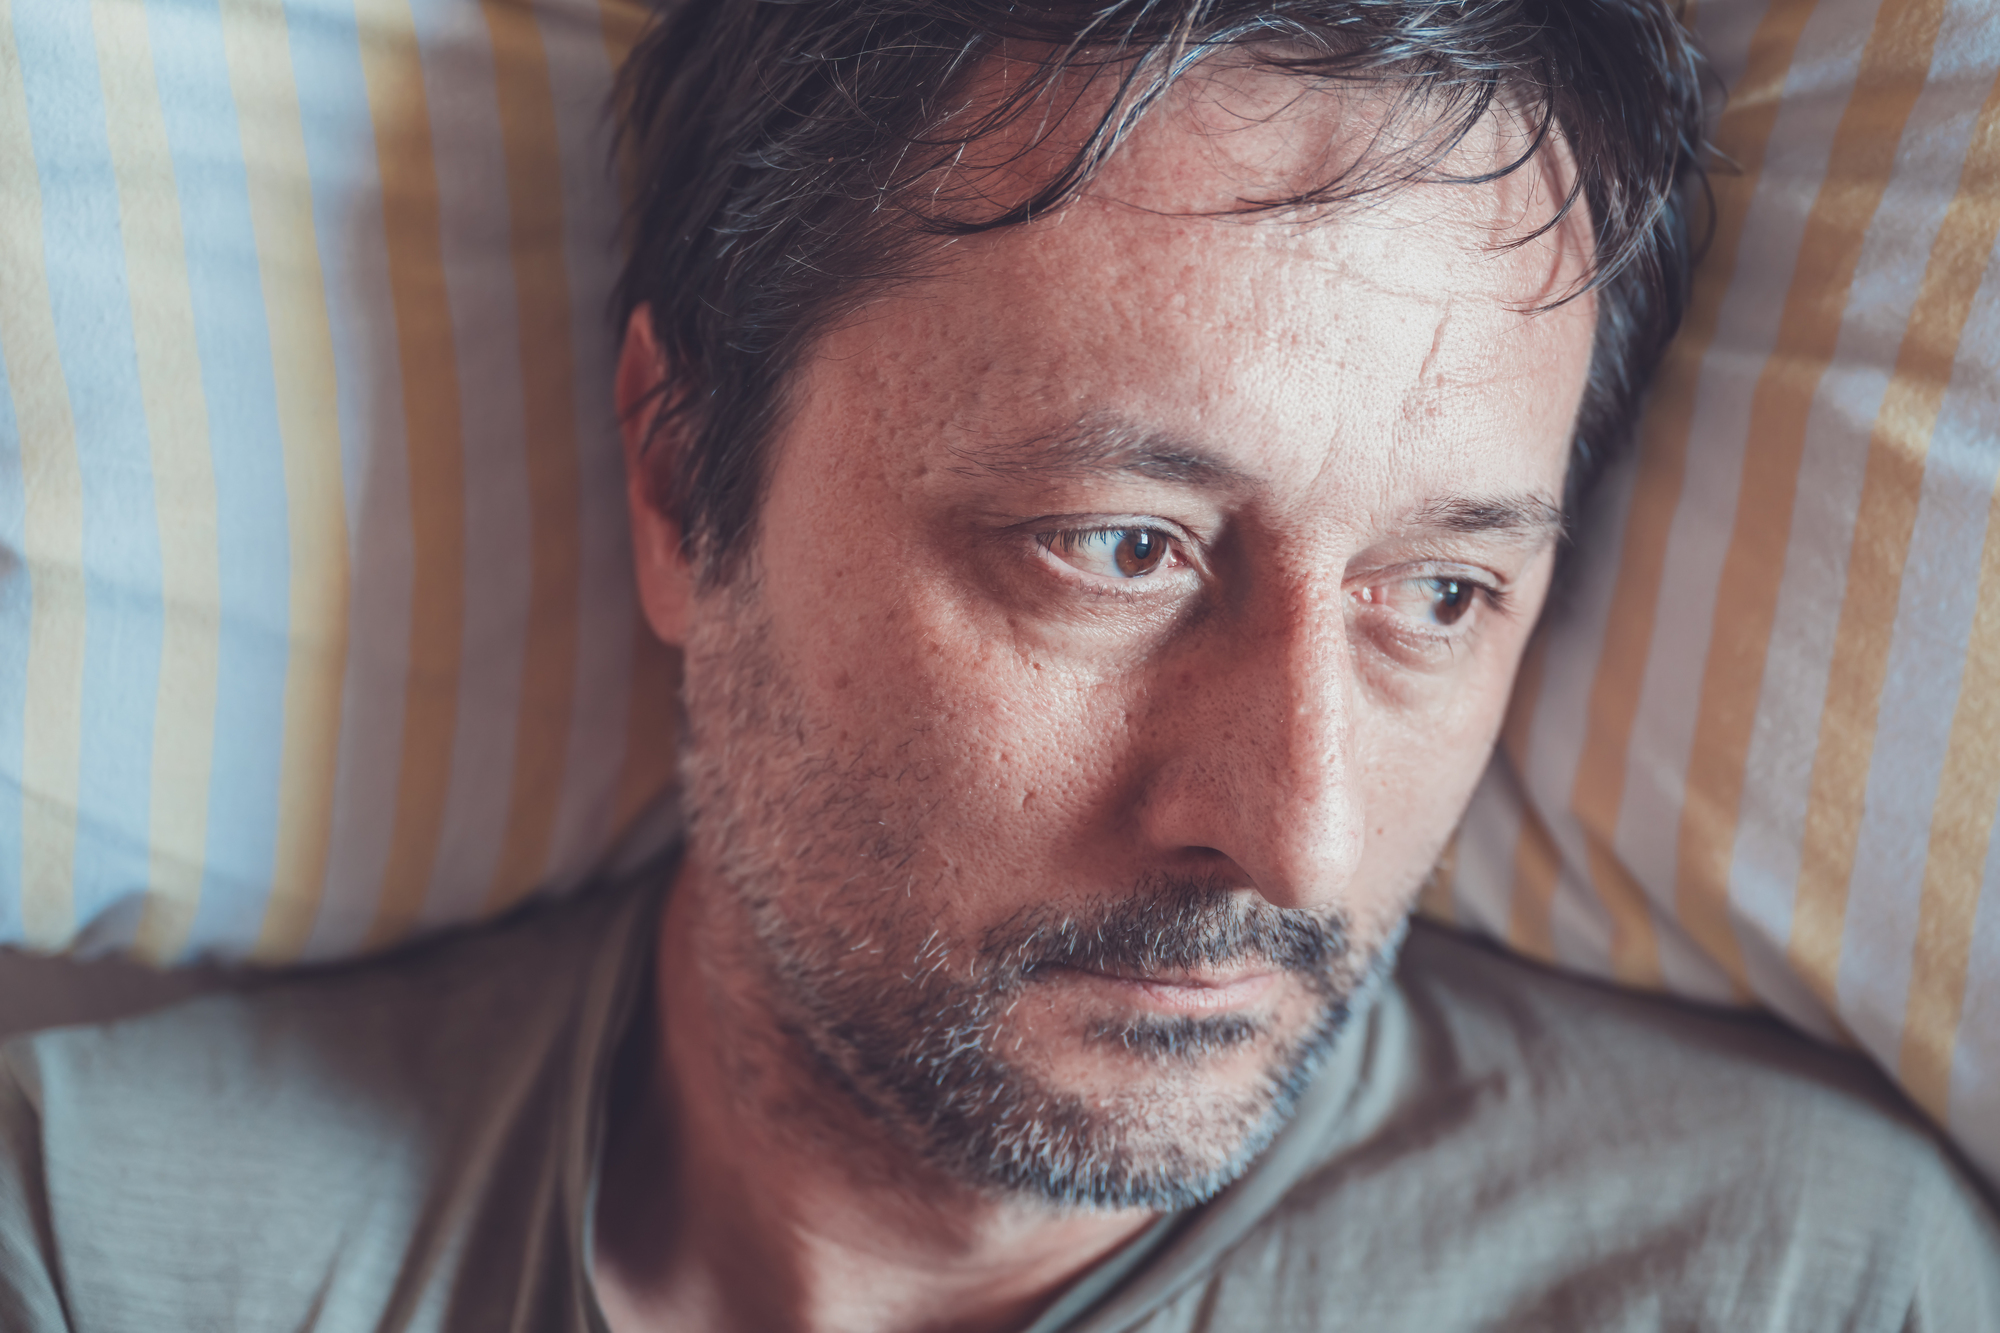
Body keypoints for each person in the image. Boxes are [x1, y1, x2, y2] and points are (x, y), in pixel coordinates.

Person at [3, 1, 1996, 1330]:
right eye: (1117, 549)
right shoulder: (105, 1244)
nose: (1293, 829)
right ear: (682, 472)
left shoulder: (1786, 1283)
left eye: (1440, 592)